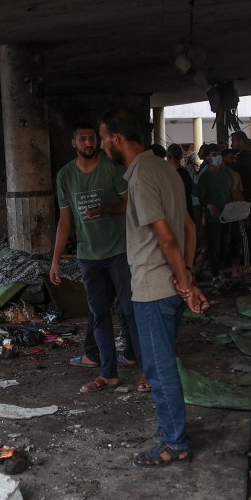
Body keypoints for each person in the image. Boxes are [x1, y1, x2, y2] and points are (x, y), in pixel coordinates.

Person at [100, 109, 208, 467]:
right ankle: (172, 433)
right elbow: (189, 227)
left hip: (153, 287)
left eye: (103, 138)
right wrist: (186, 276)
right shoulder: (165, 169)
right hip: (170, 286)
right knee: (161, 364)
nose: (102, 145)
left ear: (117, 138)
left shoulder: (142, 177)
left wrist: (184, 281)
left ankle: (174, 443)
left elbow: (167, 238)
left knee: (159, 370)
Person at [49, 123, 142, 393]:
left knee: (130, 310)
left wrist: (106, 209)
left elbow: (130, 204)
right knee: (99, 314)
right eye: (83, 139)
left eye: (91, 138)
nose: (88, 143)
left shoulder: (111, 168)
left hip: (119, 251)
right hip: (88, 256)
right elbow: (65, 219)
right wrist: (55, 259)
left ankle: (147, 371)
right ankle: (108, 374)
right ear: (74, 143)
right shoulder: (65, 175)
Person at [196, 143, 242, 280]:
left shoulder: (227, 173)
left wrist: (238, 208)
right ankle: (215, 274)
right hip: (212, 217)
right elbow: (201, 197)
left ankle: (220, 271)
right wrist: (209, 206)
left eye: (219, 154)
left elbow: (233, 192)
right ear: (208, 158)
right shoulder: (205, 176)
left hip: (227, 215)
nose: (218, 157)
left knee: (224, 245)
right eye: (214, 155)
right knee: (213, 246)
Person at [229, 130, 251, 269]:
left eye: (234, 141)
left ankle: (247, 262)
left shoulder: (239, 160)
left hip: (243, 200)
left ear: (241, 141)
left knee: (243, 232)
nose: (232, 144)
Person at [165, 144, 198, 223]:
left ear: (169, 156)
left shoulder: (167, 175)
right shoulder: (186, 174)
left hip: (174, 216)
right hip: (188, 213)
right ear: (181, 157)